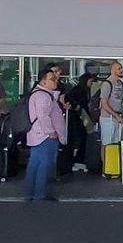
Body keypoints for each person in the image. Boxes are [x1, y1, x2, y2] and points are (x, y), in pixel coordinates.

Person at [23, 69, 66, 201]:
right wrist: (51, 132)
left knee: (35, 164)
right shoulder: (43, 96)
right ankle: (40, 193)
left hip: (38, 135)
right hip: (45, 136)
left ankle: (30, 192)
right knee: (44, 164)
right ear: (43, 82)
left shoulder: (39, 94)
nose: (55, 81)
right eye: (52, 79)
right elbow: (43, 116)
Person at [98, 61, 123, 175]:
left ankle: (113, 167)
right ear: (113, 70)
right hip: (108, 117)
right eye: (119, 68)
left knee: (115, 143)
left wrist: (122, 114)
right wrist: (115, 115)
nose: (121, 70)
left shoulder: (120, 84)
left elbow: (121, 101)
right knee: (106, 143)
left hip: (118, 116)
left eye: (121, 68)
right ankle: (105, 168)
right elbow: (104, 103)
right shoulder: (107, 84)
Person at [66, 72, 94, 171]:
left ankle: (77, 160)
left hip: (79, 117)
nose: (91, 83)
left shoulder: (81, 90)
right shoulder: (80, 91)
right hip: (77, 118)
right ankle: (77, 161)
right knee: (80, 138)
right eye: (90, 81)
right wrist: (76, 107)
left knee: (81, 138)